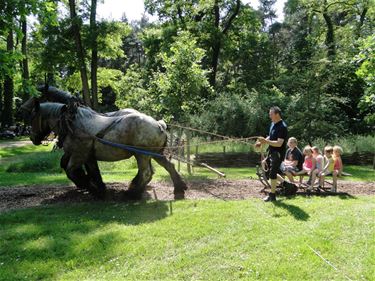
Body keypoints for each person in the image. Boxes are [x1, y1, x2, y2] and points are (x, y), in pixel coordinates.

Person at [256, 106, 288, 202]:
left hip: (278, 153)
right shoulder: (273, 124)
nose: (269, 116)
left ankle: (272, 195)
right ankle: (287, 185)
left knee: (272, 173)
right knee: (269, 172)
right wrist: (262, 142)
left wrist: (265, 141)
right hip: (271, 152)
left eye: (271, 114)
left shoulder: (282, 127)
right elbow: (271, 136)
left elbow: (279, 143)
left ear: (277, 114)